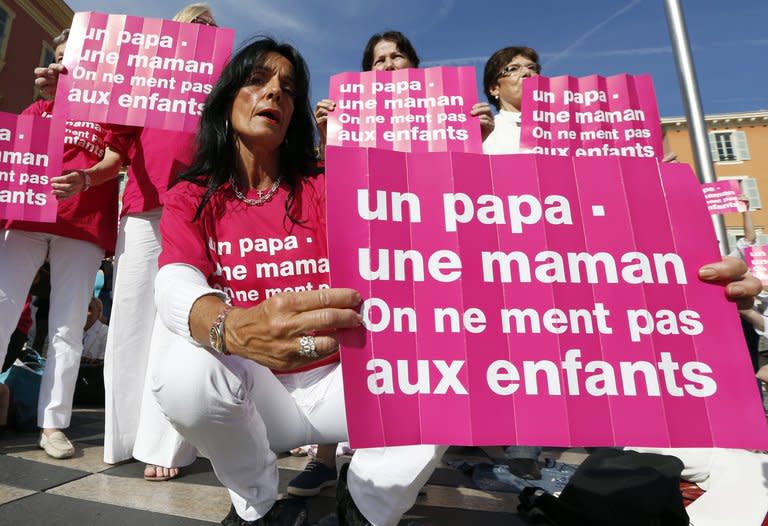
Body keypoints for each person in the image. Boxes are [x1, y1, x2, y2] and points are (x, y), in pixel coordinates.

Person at [150, 37, 450, 526]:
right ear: (227, 99)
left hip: (344, 383)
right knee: (183, 371)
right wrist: (232, 326)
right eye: (256, 81)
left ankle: (367, 509)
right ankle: (257, 505)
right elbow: (175, 280)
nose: (273, 94)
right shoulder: (192, 195)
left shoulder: (327, 185)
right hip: (255, 393)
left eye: (288, 89)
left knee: (446, 366)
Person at [35, 3, 218, 479]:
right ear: (173, 34)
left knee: (178, 326)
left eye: (209, 25)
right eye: (193, 21)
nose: (201, 28)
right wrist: (86, 178)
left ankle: (168, 445)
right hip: (142, 210)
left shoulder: (221, 91)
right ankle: (125, 438)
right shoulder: (144, 84)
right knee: (132, 322)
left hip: (199, 213)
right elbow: (115, 154)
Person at [0, 28, 124, 459]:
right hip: (26, 220)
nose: (60, 64)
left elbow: (118, 158)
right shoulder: (37, 108)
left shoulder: (109, 111)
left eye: (69, 56)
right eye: (56, 56)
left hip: (84, 224)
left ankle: (53, 424)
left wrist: (86, 179)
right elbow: (14, 163)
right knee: (0, 309)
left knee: (68, 327)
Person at [314, 30, 495, 157]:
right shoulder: (352, 120)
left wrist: (474, 139)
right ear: (368, 73)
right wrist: (327, 140)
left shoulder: (445, 110)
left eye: (397, 56)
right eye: (379, 61)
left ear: (414, 66)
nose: (388, 65)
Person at [82, 297, 108, 363]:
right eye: (83, 307)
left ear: (99, 312)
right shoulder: (75, 331)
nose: (85, 311)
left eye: (89, 308)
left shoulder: (106, 332)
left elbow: (103, 362)